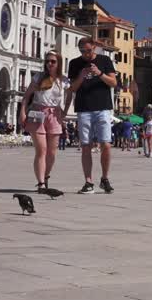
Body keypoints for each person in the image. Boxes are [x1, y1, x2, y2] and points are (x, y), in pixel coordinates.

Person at [66, 37, 118, 194]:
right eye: (82, 51)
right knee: (86, 146)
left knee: (106, 144)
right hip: (83, 109)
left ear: (94, 48)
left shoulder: (105, 60)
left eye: (88, 50)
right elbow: (72, 88)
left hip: (103, 108)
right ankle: (88, 182)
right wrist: (81, 76)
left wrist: (99, 73)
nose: (86, 54)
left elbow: (113, 83)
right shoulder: (74, 64)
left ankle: (105, 178)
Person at [19, 51, 69, 192]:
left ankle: (46, 176)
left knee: (52, 154)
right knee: (41, 150)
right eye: (47, 61)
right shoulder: (38, 77)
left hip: (54, 115)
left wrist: (64, 111)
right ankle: (40, 183)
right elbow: (27, 96)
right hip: (37, 113)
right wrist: (22, 112)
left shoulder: (63, 80)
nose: (49, 64)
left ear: (58, 63)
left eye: (53, 61)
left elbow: (71, 93)